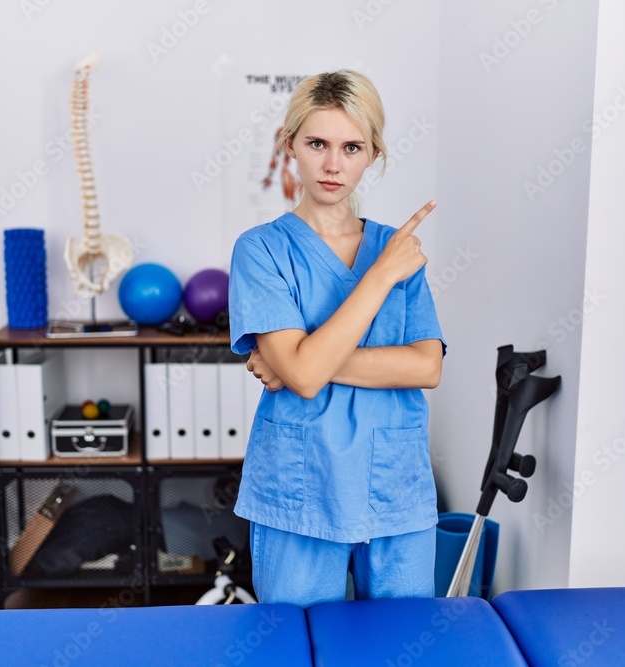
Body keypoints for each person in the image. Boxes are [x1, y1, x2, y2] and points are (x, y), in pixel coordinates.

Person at [227, 70, 446, 607]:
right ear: (289, 145)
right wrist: (377, 278)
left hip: (393, 484)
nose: (333, 164)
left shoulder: (398, 250)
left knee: (402, 650)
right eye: (317, 143)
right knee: (295, 646)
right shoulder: (261, 250)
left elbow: (426, 368)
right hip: (302, 488)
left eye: (352, 147)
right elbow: (303, 378)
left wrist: (302, 361)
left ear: (372, 153)